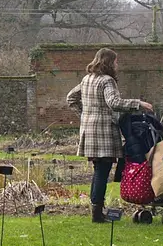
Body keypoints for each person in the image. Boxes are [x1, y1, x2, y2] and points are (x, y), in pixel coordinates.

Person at [65, 48, 153, 223]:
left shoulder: (87, 79)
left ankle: (96, 210)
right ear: (108, 62)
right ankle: (97, 214)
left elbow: (70, 98)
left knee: (99, 170)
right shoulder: (107, 81)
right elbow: (113, 102)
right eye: (115, 62)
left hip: (89, 131)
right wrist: (138, 103)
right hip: (104, 131)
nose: (117, 65)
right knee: (102, 172)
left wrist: (85, 115)